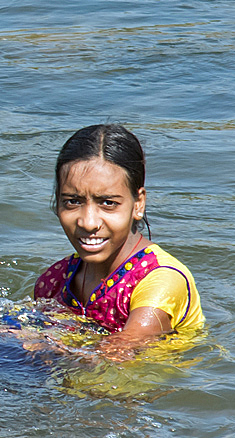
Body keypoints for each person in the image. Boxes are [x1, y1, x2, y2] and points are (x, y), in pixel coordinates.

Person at [32, 124, 203, 354]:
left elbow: (120, 353)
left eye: (108, 203)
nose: (88, 222)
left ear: (138, 203)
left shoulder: (161, 280)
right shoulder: (57, 280)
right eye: (73, 201)